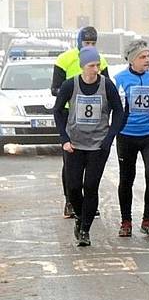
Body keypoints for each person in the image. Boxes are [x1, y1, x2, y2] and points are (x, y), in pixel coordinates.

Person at [53, 46, 123, 246]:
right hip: (74, 144)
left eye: (98, 65)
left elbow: (119, 111)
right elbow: (57, 111)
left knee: (91, 186)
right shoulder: (70, 85)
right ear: (83, 66)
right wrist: (64, 138)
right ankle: (80, 217)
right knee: (74, 187)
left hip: (98, 145)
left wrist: (109, 138)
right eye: (92, 65)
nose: (96, 69)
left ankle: (85, 229)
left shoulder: (107, 85)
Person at [51, 26, 110, 219]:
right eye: (86, 43)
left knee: (92, 165)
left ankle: (89, 202)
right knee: (70, 162)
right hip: (71, 115)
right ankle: (70, 200)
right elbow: (55, 88)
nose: (90, 46)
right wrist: (74, 91)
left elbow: (106, 88)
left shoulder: (100, 60)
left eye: (93, 43)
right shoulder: (65, 59)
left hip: (93, 119)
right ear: (79, 42)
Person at [114, 40, 149, 239]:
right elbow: (114, 107)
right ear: (132, 60)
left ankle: (147, 220)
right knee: (126, 178)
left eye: (148, 56)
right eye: (142, 57)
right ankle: (126, 221)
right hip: (127, 134)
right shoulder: (119, 79)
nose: (147, 60)